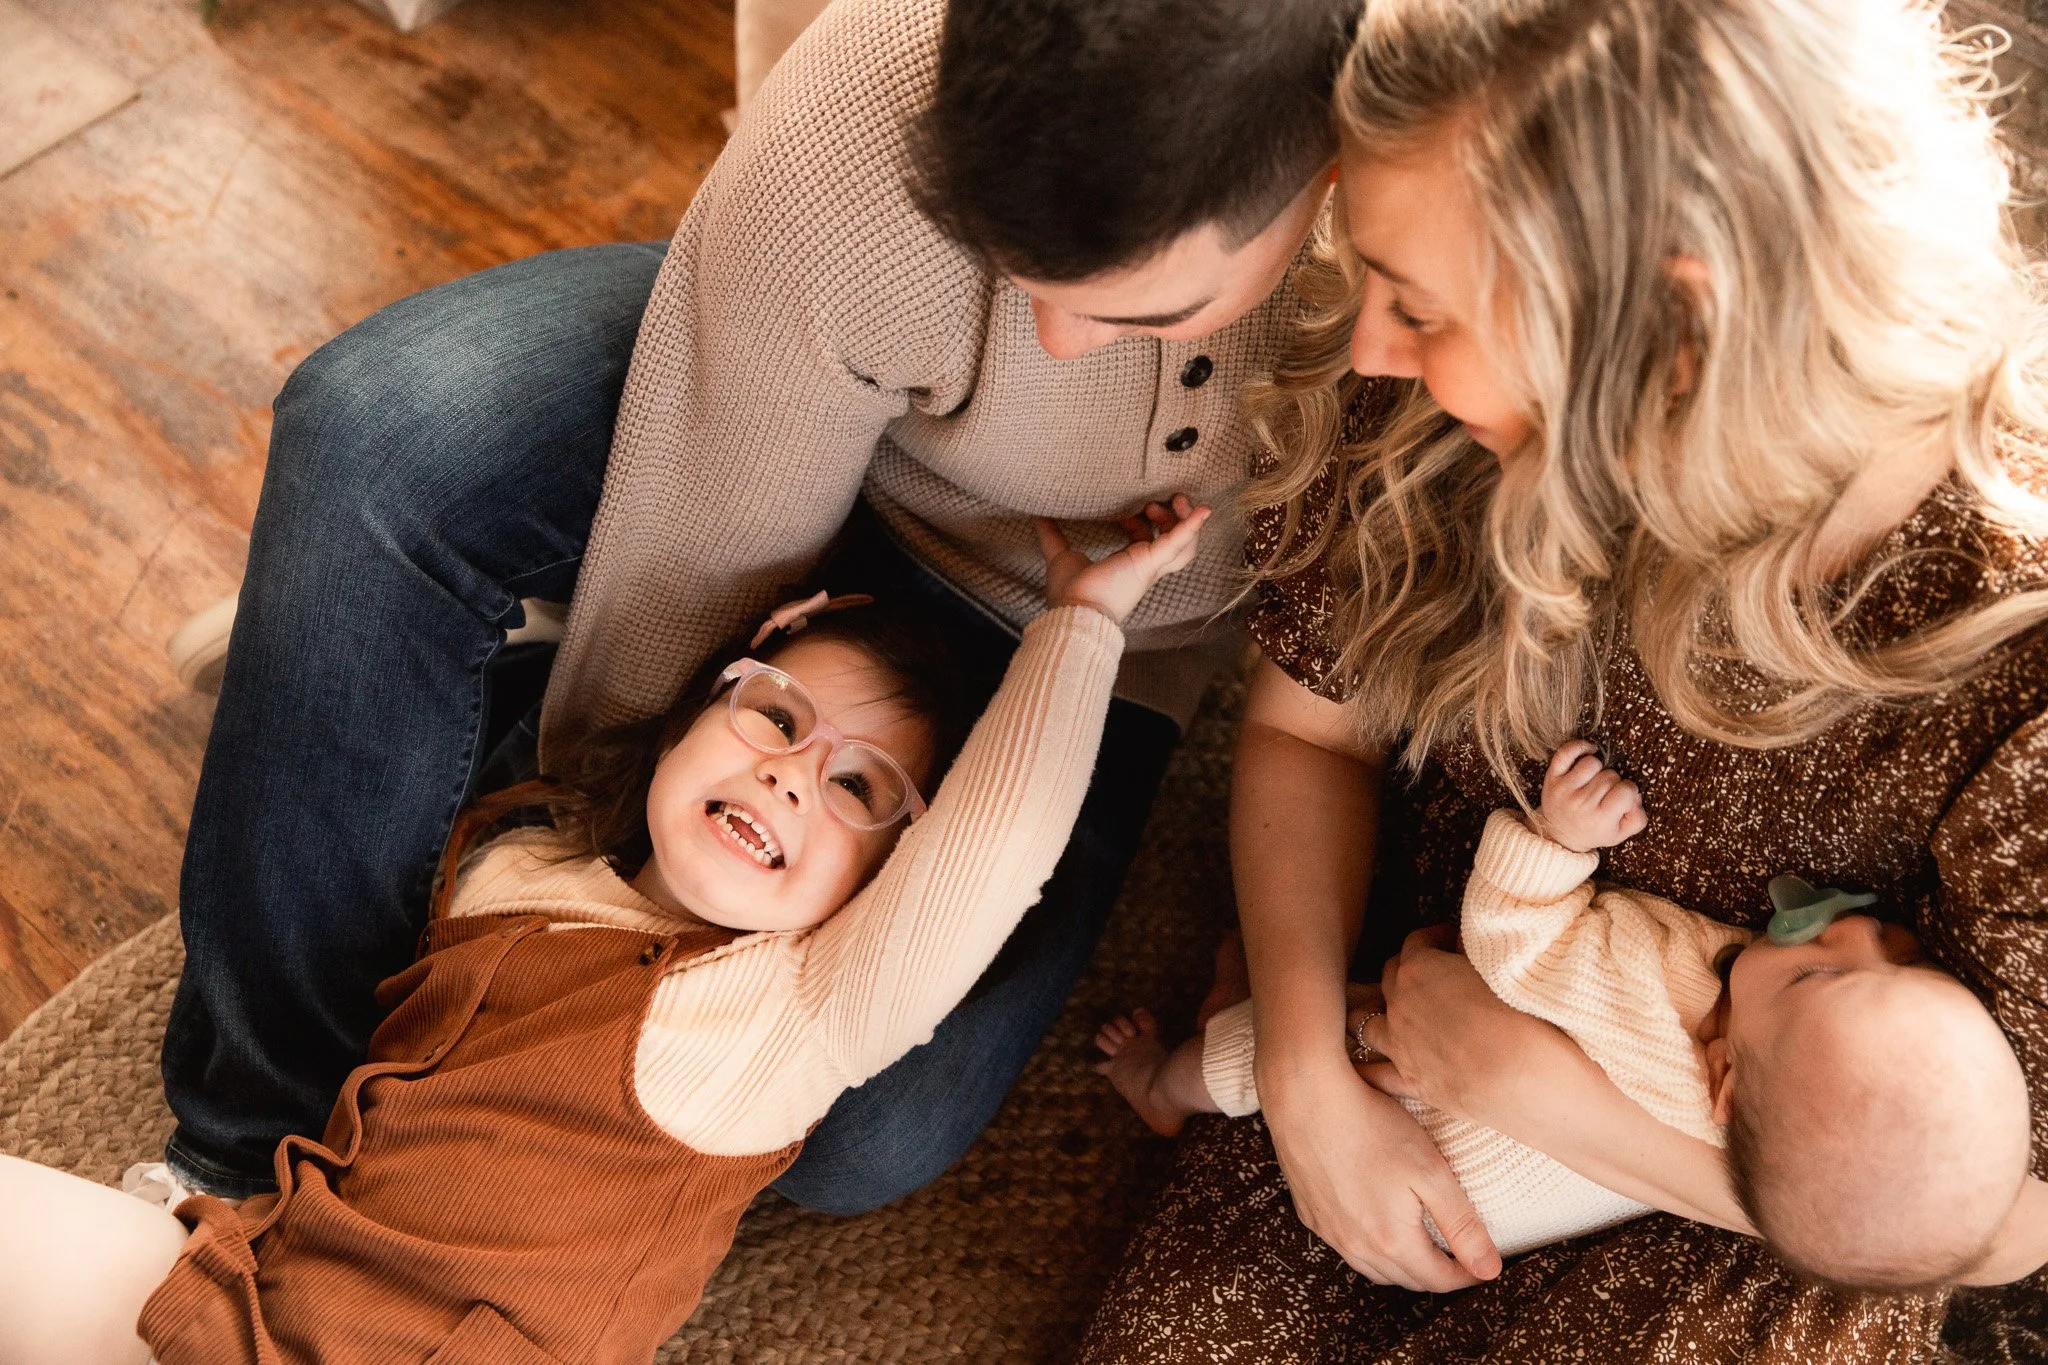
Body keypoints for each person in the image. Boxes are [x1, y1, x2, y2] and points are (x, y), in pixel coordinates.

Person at [160, 0, 1359, 1207]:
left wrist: (1082, 633)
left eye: (1136, 311)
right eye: (1012, 268)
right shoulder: (866, 101)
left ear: (1326, 166)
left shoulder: (1421, 196)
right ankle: (246, 1149)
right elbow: (708, 539)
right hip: (816, 457)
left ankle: (445, 682)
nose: (1054, 342)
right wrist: (617, 854)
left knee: (854, 1140)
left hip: (1110, 631)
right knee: (377, 446)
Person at [1079, 0, 2048, 1359]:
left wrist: (1544, 1092)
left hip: (1774, 1200)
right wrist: (1304, 1077)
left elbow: (2007, 1214)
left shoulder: (2016, 617)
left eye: (1419, 305)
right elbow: (1311, 737)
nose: (1370, 346)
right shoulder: (1441, 412)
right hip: (1417, 1011)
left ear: (1674, 323)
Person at [0, 504, 1208, 1365]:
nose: (792, 775)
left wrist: (1081, 627)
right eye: (774, 717)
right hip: (243, 1280)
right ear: (701, 712)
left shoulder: (782, 1020)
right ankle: (496, 644)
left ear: (882, 886)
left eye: (858, 791)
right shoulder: (527, 857)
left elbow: (990, 852)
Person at [1095, 739, 2035, 1289]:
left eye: (1819, 976)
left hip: (1420, 1124)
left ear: (1724, 1081)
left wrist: (1558, 843)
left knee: (1245, 1058)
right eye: (1904, 958)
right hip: (1480, 1209)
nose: (1854, 933)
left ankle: (1160, 1083)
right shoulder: (1805, 1132)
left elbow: (1514, 940)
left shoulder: (1648, 992)